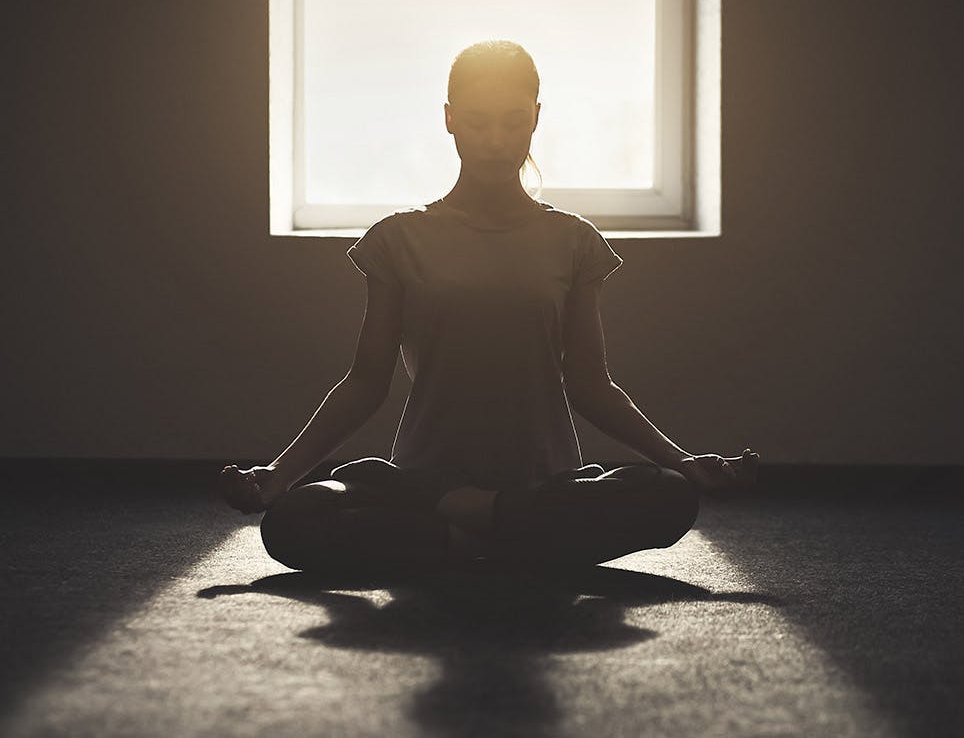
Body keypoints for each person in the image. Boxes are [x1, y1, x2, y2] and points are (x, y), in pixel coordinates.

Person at [220, 40, 760, 573]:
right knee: (294, 519)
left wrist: (682, 460)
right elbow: (365, 381)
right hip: (425, 478)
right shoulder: (398, 240)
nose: (496, 140)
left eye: (513, 121)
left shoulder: (574, 242)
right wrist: (278, 475)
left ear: (536, 118)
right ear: (449, 119)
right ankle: (516, 540)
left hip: (541, 483)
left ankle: (464, 532)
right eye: (477, 122)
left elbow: (592, 385)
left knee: (668, 495)